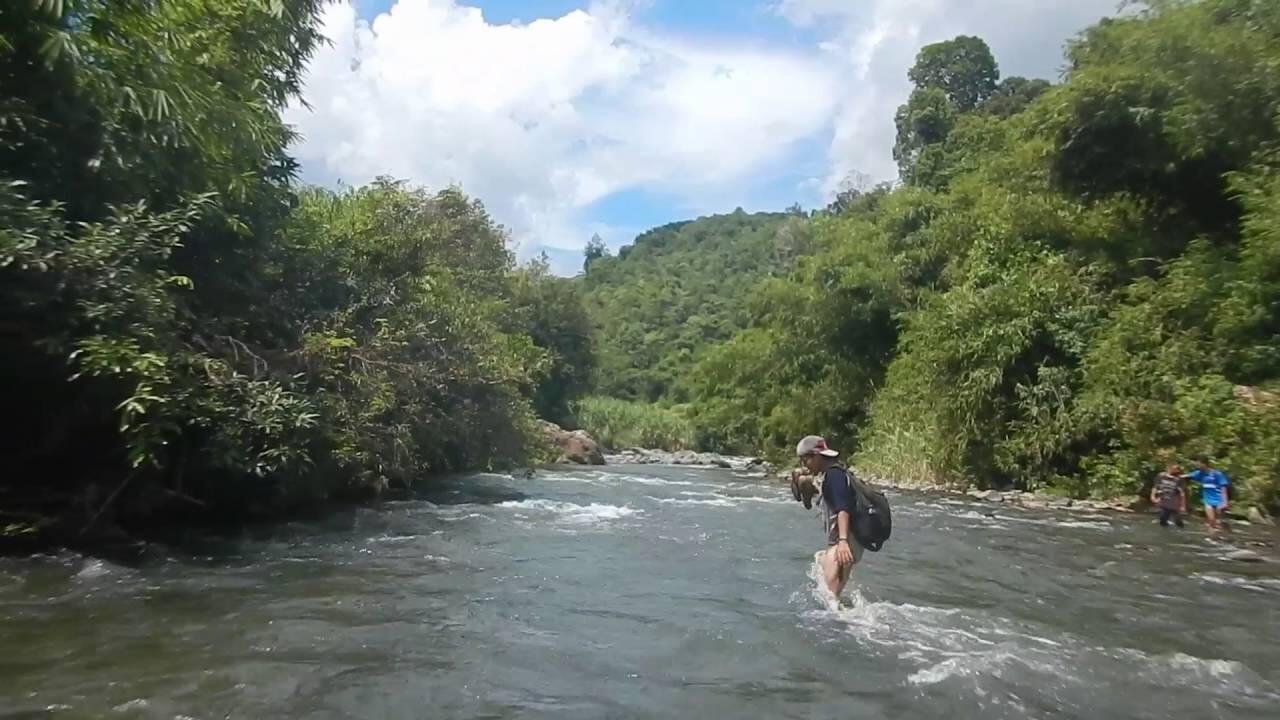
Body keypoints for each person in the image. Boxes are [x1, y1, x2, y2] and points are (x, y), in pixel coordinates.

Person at [790, 435, 864, 598]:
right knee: (831, 592)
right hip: (847, 541)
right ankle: (804, 484)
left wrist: (843, 542)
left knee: (830, 596)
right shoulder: (834, 473)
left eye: (805, 460)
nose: (804, 464)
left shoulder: (834, 476)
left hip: (844, 542)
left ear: (816, 456)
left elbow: (843, 509)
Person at [1184, 456, 1231, 531]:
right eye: (1196, 465)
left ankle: (1227, 534)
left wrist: (1225, 502)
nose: (1197, 466)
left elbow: (1223, 488)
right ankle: (1213, 537)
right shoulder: (1199, 473)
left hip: (1219, 500)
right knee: (1211, 520)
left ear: (1205, 464)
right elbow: (1186, 476)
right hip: (1208, 501)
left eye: (1199, 464)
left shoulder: (1217, 474)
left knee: (1222, 522)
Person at [1150, 463, 1186, 528]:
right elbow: (1155, 487)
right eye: (1175, 469)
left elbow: (1182, 493)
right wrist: (1153, 496)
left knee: (1178, 521)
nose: (1177, 471)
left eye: (1178, 469)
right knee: (1163, 519)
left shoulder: (1179, 479)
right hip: (1164, 502)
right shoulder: (1161, 476)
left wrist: (1183, 505)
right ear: (1168, 469)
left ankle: (1181, 531)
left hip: (1174, 503)